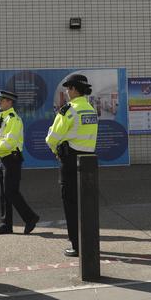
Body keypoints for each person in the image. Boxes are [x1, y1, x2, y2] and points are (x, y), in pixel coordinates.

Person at [45, 74, 98, 257]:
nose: (67, 92)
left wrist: (56, 152)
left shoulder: (69, 110)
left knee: (71, 203)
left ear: (75, 89)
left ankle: (76, 244)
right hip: (89, 160)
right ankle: (89, 242)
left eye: (68, 89)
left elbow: (52, 137)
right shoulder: (91, 109)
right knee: (87, 203)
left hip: (70, 161)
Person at [0, 90, 40, 235]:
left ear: (9, 102)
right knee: (4, 193)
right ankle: (6, 224)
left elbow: (10, 142)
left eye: (2, 100)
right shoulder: (2, 118)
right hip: (2, 159)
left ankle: (30, 217)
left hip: (11, 159)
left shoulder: (13, 119)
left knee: (11, 192)